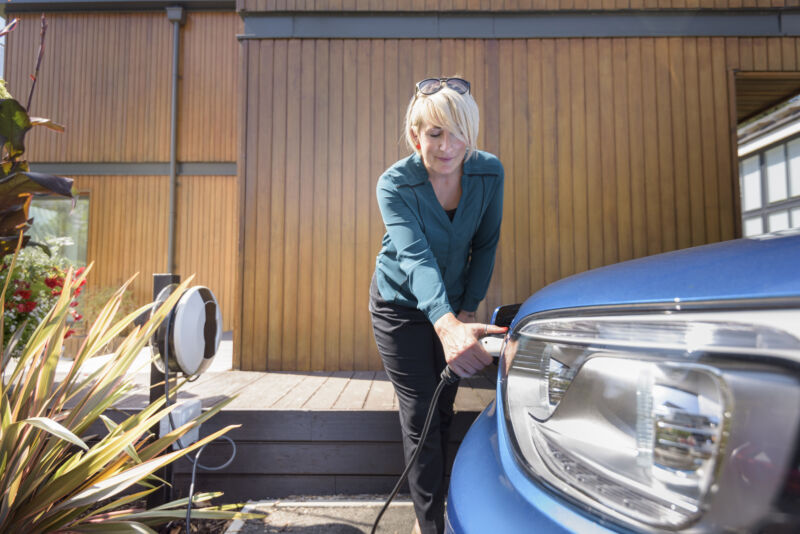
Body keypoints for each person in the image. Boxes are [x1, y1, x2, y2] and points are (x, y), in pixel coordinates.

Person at [369, 76, 507, 534]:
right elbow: (415, 257)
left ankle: (436, 503)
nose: (448, 146)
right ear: (416, 135)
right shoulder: (394, 184)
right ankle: (430, 526)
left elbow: (484, 246)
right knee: (421, 414)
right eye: (434, 133)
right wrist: (444, 322)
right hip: (399, 307)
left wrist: (465, 313)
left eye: (458, 132)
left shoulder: (489, 172)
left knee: (444, 407)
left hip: (453, 307)